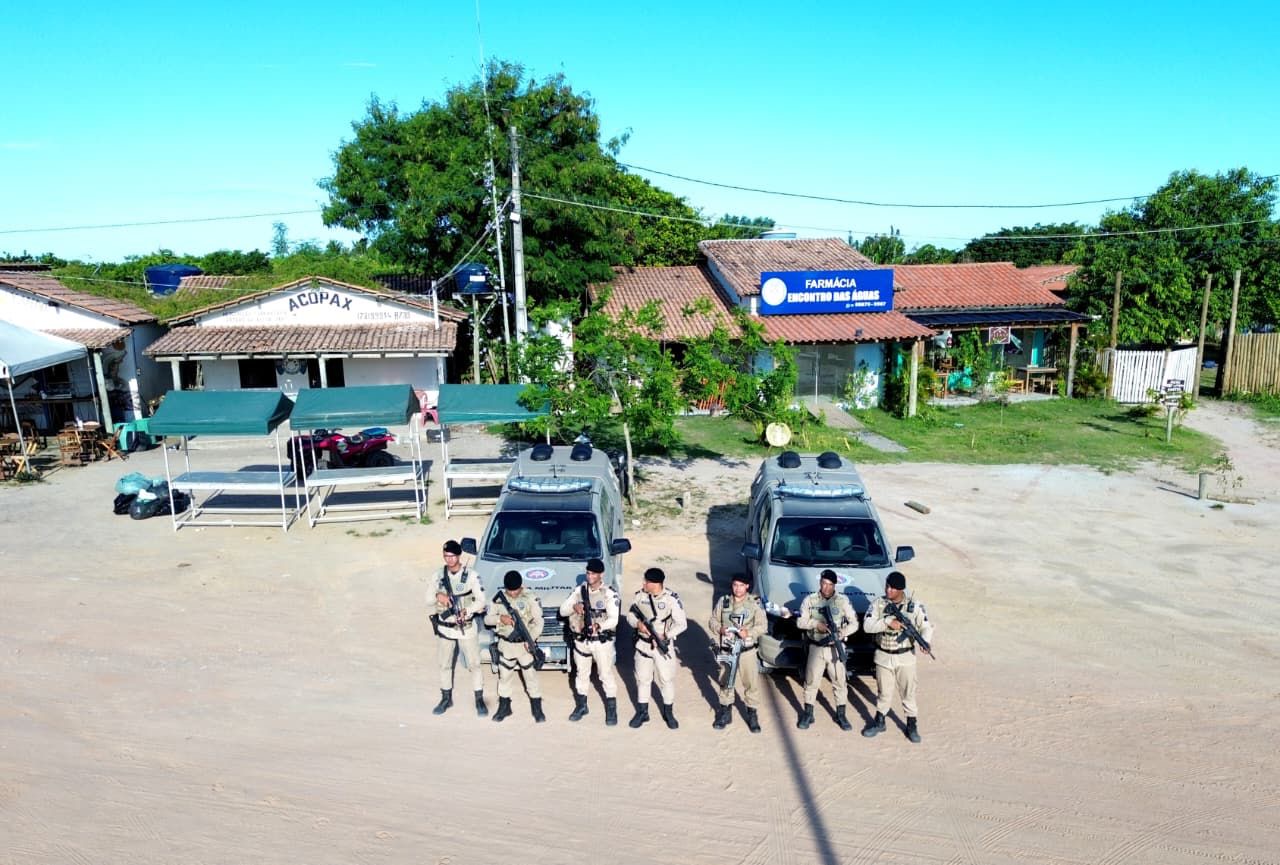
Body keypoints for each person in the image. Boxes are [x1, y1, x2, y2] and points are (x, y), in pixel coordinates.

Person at [861, 571, 935, 743]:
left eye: (893, 588)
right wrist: (887, 622)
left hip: (905, 656)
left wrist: (925, 641)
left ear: (901, 590)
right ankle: (880, 721)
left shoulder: (914, 606)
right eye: (887, 586)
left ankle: (911, 724)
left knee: (908, 692)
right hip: (883, 655)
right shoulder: (878, 604)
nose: (888, 590)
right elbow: (867, 626)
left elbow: (925, 626)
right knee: (883, 693)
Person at [559, 557, 622, 725]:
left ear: (601, 574)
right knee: (581, 673)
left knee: (605, 674)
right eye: (588, 573)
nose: (590, 576)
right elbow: (562, 610)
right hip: (581, 641)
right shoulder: (579, 591)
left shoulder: (608, 593)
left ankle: (611, 709)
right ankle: (581, 706)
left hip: (600, 642)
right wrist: (574, 607)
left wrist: (598, 626)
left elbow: (614, 620)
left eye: (593, 573)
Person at [428, 539, 486, 717]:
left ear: (459, 555)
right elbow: (428, 600)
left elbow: (482, 601)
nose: (449, 560)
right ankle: (446, 698)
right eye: (446, 556)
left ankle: (479, 699)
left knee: (474, 664)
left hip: (466, 627)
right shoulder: (438, 575)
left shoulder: (471, 575)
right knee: (444, 664)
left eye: (452, 556)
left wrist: (467, 611)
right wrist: (439, 596)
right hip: (445, 628)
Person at [625, 567, 688, 729]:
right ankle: (642, 712)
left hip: (662, 646)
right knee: (643, 679)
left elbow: (682, 624)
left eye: (646, 581)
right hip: (643, 645)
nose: (643, 583)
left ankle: (668, 712)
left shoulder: (671, 599)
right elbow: (630, 615)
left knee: (666, 680)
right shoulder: (640, 596)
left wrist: (665, 636)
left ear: (656, 583)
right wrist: (637, 624)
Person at [795, 569, 858, 730]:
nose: (826, 587)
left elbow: (854, 623)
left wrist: (841, 633)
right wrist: (816, 625)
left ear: (835, 585)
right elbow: (800, 622)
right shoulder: (810, 600)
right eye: (823, 583)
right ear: (820, 583)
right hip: (816, 647)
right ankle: (808, 714)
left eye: (830, 584)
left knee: (839, 682)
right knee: (811, 681)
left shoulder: (842, 601)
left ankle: (841, 714)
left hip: (835, 648)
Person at [483, 571, 546, 723]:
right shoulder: (498, 600)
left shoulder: (530, 597)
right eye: (509, 590)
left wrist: (531, 639)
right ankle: (504, 706)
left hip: (524, 646)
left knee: (530, 676)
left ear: (521, 587)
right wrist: (500, 618)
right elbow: (487, 619)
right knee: (504, 676)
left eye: (515, 590)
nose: (512, 593)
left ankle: (537, 708)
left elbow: (539, 622)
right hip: (506, 645)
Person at [708, 573, 767, 733]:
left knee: (751, 683)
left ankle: (752, 715)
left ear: (747, 586)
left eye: (741, 585)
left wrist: (748, 633)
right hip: (727, 649)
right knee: (725, 682)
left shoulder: (754, 604)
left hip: (746, 651)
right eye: (735, 585)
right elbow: (713, 620)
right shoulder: (724, 601)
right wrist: (720, 629)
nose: (737, 589)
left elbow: (763, 626)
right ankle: (725, 713)